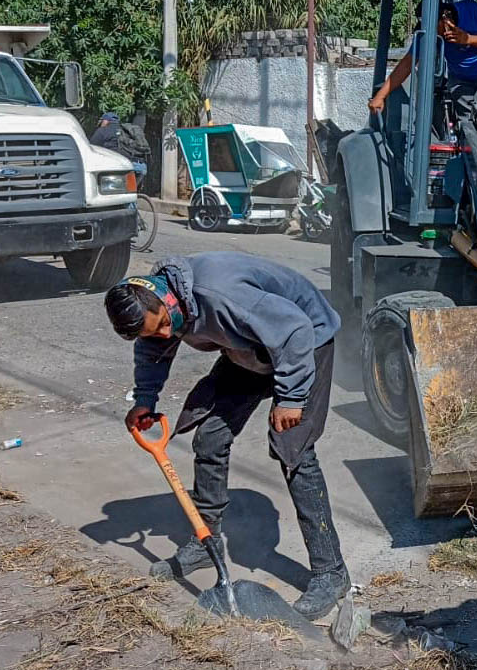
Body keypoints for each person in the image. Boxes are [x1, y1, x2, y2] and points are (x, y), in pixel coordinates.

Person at [104, 252, 350, 620]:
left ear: (165, 301)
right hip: (249, 348)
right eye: (153, 332)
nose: (165, 336)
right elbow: (152, 348)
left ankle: (332, 573)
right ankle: (207, 545)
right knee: (211, 437)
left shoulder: (220, 293)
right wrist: (144, 400)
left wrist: (291, 397)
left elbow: (295, 329)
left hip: (303, 342)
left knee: (293, 450)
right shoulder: (158, 306)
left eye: (162, 326)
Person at [367, 0, 477, 114]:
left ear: (445, 19)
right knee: (469, 116)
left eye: (433, 27)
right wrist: (380, 97)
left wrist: (469, 39)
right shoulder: (427, 34)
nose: (433, 33)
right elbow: (407, 64)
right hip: (462, 81)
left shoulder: (473, 11)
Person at [92, 111, 150, 186]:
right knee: (131, 192)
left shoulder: (102, 131)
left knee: (113, 194)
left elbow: (92, 148)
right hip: (140, 167)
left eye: (101, 121)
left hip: (119, 168)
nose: (100, 124)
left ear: (106, 121)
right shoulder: (127, 130)